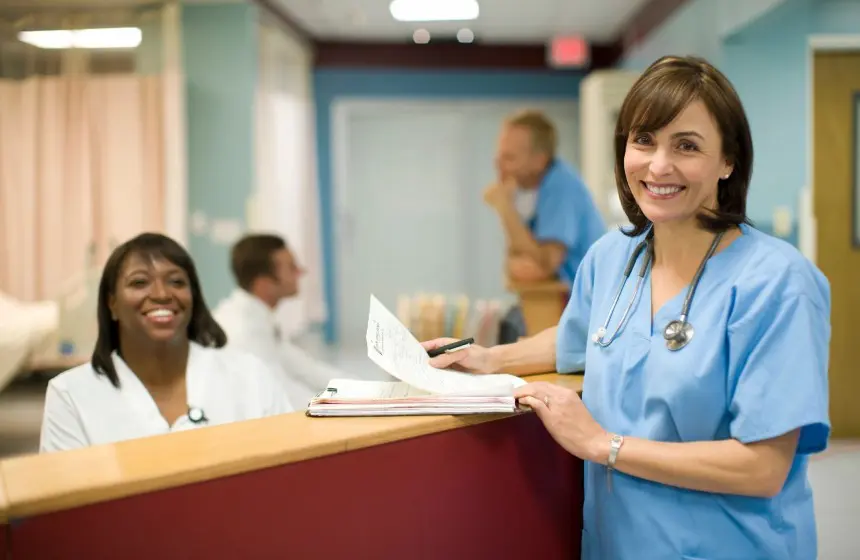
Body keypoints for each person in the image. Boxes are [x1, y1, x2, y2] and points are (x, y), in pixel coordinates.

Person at [423, 56, 830, 560]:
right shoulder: (613, 255)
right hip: (618, 542)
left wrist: (602, 445)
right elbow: (586, 335)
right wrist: (489, 358)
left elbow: (763, 467)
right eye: (644, 140)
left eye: (686, 145)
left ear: (728, 160)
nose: (658, 165)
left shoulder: (777, 282)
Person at [39, 233, 293, 453]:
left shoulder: (250, 376)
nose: (162, 294)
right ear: (112, 303)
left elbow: (286, 474)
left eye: (176, 282)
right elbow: (65, 502)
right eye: (139, 282)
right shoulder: (70, 396)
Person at [487, 110, 606, 342]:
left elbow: (544, 264)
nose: (499, 167)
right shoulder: (536, 191)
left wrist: (505, 209)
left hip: (588, 309)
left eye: (509, 158)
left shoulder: (560, 188)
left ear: (539, 160)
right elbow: (517, 260)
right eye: (499, 157)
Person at [213, 234, 342, 410]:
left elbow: (305, 368)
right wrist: (344, 406)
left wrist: (369, 391)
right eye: (291, 268)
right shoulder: (243, 329)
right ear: (264, 284)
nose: (301, 272)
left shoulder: (257, 318)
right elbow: (281, 395)